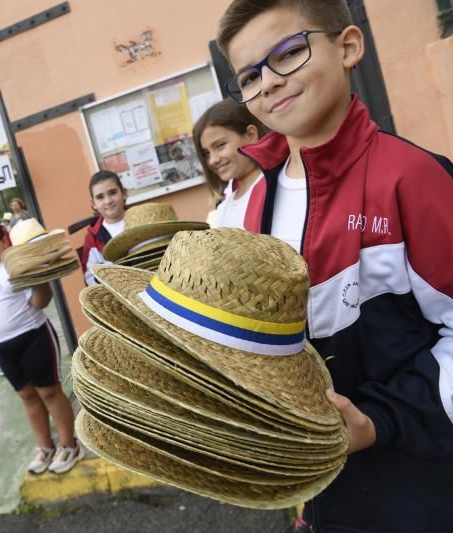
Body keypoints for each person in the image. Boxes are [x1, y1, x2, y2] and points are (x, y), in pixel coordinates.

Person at [217, 1, 453, 531]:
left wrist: (378, 421)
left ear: (348, 46)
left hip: (423, 483)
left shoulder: (412, 177)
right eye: (249, 77)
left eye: (289, 53)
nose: (269, 83)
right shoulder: (258, 200)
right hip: (327, 492)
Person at [0, 220, 83, 474]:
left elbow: (40, 302)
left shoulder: (17, 267)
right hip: (2, 347)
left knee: (50, 393)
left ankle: (69, 444)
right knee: (27, 397)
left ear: (4, 241)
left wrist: (41, 277)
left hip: (33, 337)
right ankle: (46, 446)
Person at [193, 98, 267, 229]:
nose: (213, 160)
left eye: (220, 145)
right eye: (206, 154)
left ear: (250, 135)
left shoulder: (276, 184)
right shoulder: (225, 205)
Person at [80, 170, 127, 286]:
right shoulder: (92, 239)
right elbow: (90, 278)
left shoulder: (142, 221)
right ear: (93, 204)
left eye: (112, 193)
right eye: (100, 197)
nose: (108, 201)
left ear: (124, 193)